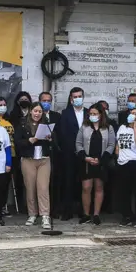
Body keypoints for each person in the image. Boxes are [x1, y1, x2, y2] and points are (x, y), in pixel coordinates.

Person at [14, 101, 55, 229]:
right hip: (28, 159)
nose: (37, 114)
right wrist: (29, 141)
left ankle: (45, 215)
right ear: (31, 111)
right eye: (35, 111)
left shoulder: (46, 124)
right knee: (30, 187)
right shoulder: (22, 124)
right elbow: (17, 142)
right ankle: (32, 214)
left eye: (40, 111)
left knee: (43, 187)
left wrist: (50, 139)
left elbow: (55, 143)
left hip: (44, 159)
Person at [75, 103, 115, 225]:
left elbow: (111, 145)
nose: (92, 116)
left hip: (101, 162)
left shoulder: (108, 127)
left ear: (101, 114)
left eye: (95, 114)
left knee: (99, 187)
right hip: (87, 161)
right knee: (86, 188)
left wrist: (102, 160)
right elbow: (78, 143)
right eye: (91, 114)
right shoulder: (84, 127)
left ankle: (96, 214)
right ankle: (86, 214)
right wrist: (85, 157)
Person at [56, 88, 88, 221]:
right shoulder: (65, 113)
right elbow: (63, 134)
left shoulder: (88, 113)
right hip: (70, 153)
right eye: (75, 97)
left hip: (86, 153)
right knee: (68, 182)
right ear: (71, 99)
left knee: (83, 182)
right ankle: (67, 211)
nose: (77, 98)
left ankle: (82, 210)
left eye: (80, 96)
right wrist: (73, 149)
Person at [115, 107, 136, 227]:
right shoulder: (122, 128)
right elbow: (118, 143)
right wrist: (118, 154)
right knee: (124, 192)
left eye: (134, 113)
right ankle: (127, 216)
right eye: (131, 113)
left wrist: (135, 127)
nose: (131, 115)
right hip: (123, 163)